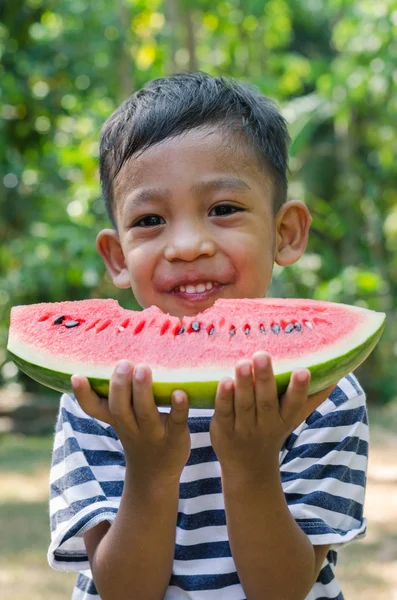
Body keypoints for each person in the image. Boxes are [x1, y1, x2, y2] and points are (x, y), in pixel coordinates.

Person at [48, 72, 368, 600]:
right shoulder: (95, 398)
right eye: (150, 219)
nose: (188, 245)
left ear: (285, 233)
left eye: (222, 209)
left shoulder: (325, 392)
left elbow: (282, 590)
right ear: (117, 256)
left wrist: (251, 463)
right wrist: (149, 473)